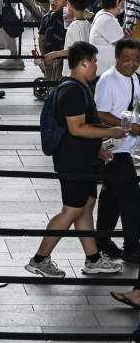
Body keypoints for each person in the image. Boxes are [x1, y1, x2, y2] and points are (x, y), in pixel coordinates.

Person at [25, 42, 127, 279]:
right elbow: (77, 128)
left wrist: (97, 149)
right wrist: (110, 132)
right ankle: (39, 259)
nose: (96, 67)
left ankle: (92, 259)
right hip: (74, 161)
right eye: (94, 62)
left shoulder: (74, 87)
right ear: (84, 63)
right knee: (71, 210)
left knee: (85, 206)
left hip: (82, 158)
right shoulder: (73, 92)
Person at [90, 39, 140, 262]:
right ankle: (132, 247)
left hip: (125, 148)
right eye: (127, 59)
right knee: (130, 198)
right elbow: (99, 114)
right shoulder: (108, 80)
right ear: (116, 58)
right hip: (112, 148)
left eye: (136, 59)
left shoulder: (135, 79)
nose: (132, 64)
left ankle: (103, 242)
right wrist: (130, 127)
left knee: (111, 196)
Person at [90, 0, 128, 77]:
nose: (125, 4)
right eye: (124, 1)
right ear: (118, 2)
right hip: (105, 75)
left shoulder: (102, 15)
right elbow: (124, 48)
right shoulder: (108, 20)